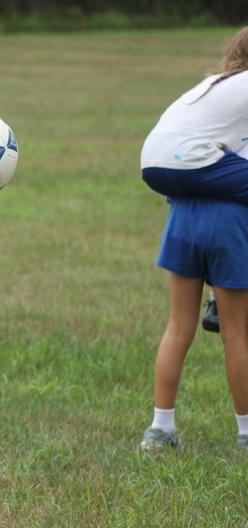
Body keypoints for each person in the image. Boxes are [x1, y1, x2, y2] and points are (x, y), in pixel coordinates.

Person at [138, 26, 248, 451]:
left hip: (178, 208)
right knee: (238, 333)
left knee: (178, 327)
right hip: (225, 223)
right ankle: (245, 434)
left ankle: (159, 428)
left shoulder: (211, 88)